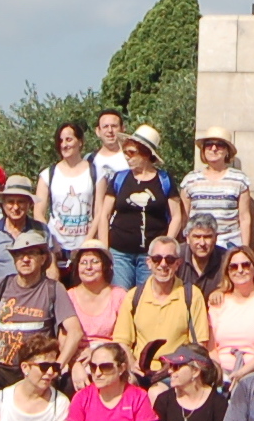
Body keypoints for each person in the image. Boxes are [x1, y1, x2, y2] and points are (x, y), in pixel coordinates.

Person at [0, 230, 84, 393]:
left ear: (42, 259)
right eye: (20, 254)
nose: (25, 259)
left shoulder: (53, 289)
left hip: (37, 371)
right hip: (1, 369)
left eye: (31, 254)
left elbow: (75, 332)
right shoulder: (2, 286)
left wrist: (57, 365)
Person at [95, 126, 182, 290]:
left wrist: (165, 246)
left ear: (146, 154)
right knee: (120, 297)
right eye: (125, 152)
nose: (127, 157)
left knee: (148, 297)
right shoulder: (119, 178)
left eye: (132, 152)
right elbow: (104, 215)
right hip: (120, 252)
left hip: (151, 255)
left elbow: (176, 216)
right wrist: (105, 250)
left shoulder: (164, 180)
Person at [114, 236, 212, 378]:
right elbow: (122, 341)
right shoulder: (134, 296)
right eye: (157, 259)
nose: (163, 264)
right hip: (138, 372)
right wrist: (132, 364)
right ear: (148, 262)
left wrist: (174, 368)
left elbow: (199, 345)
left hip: (176, 371)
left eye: (170, 260)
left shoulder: (191, 295)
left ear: (178, 264)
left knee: (157, 392)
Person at [207, 247, 254, 386]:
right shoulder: (218, 302)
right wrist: (219, 375)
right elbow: (211, 349)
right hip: (220, 374)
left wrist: (241, 373)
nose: (240, 270)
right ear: (227, 272)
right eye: (234, 267)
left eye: (246, 265)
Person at [36, 122, 99, 273]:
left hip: (86, 246)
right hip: (56, 249)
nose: (64, 145)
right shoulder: (47, 175)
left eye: (69, 140)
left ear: (80, 142)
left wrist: (87, 243)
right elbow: (38, 213)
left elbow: (100, 212)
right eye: (61, 140)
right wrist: (51, 243)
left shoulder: (96, 173)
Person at [181, 128, 254, 256]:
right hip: (198, 244)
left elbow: (244, 218)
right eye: (209, 144)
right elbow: (183, 217)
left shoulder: (239, 179)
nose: (213, 148)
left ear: (227, 151)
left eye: (219, 145)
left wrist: (245, 249)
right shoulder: (190, 179)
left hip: (229, 243)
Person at [66, 241, 121, 383]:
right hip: (77, 358)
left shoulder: (119, 295)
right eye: (83, 262)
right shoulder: (68, 297)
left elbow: (124, 338)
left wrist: (98, 353)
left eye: (95, 262)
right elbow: (63, 338)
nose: (89, 267)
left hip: (111, 358)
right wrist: (75, 364)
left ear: (104, 266)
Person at [0, 178, 55, 282]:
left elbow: (51, 268)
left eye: (21, 202)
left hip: (33, 295)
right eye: (11, 202)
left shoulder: (41, 231)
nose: (15, 207)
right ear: (3, 204)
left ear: (29, 204)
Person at [181, 214, 227, 299]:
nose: (202, 243)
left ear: (215, 238)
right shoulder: (175, 257)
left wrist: (223, 290)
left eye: (207, 237)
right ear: (187, 238)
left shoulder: (226, 258)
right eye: (197, 237)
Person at [90, 109, 128, 188]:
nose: (110, 130)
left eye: (114, 126)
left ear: (123, 128)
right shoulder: (90, 160)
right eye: (105, 126)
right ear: (98, 131)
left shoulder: (131, 157)